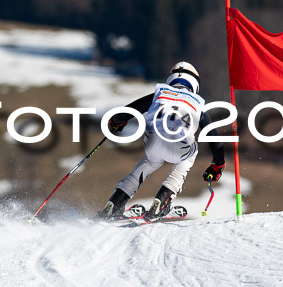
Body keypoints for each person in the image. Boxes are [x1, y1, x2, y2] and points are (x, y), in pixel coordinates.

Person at [97, 61, 226, 220]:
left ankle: (115, 202)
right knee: (192, 152)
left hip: (153, 142)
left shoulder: (160, 92)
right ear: (195, 84)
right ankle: (163, 200)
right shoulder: (197, 102)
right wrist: (218, 164)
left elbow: (129, 110)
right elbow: (214, 137)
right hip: (180, 146)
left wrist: (116, 121)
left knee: (150, 162)